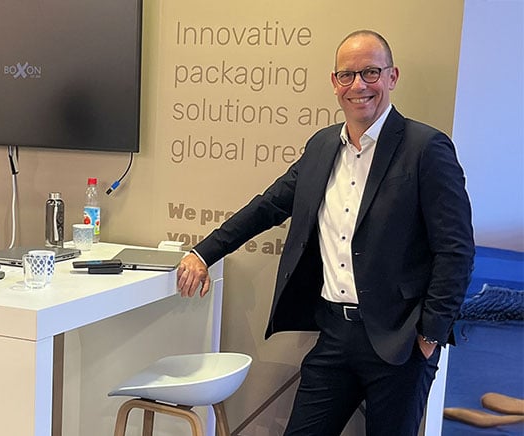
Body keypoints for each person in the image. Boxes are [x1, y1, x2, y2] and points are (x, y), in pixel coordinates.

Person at [176, 30, 474, 435]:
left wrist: (429, 336)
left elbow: (455, 251)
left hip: (401, 341)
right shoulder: (321, 146)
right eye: (347, 75)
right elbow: (268, 205)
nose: (359, 85)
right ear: (335, 83)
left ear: (392, 76)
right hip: (335, 334)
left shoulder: (426, 147)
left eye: (371, 72)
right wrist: (203, 253)